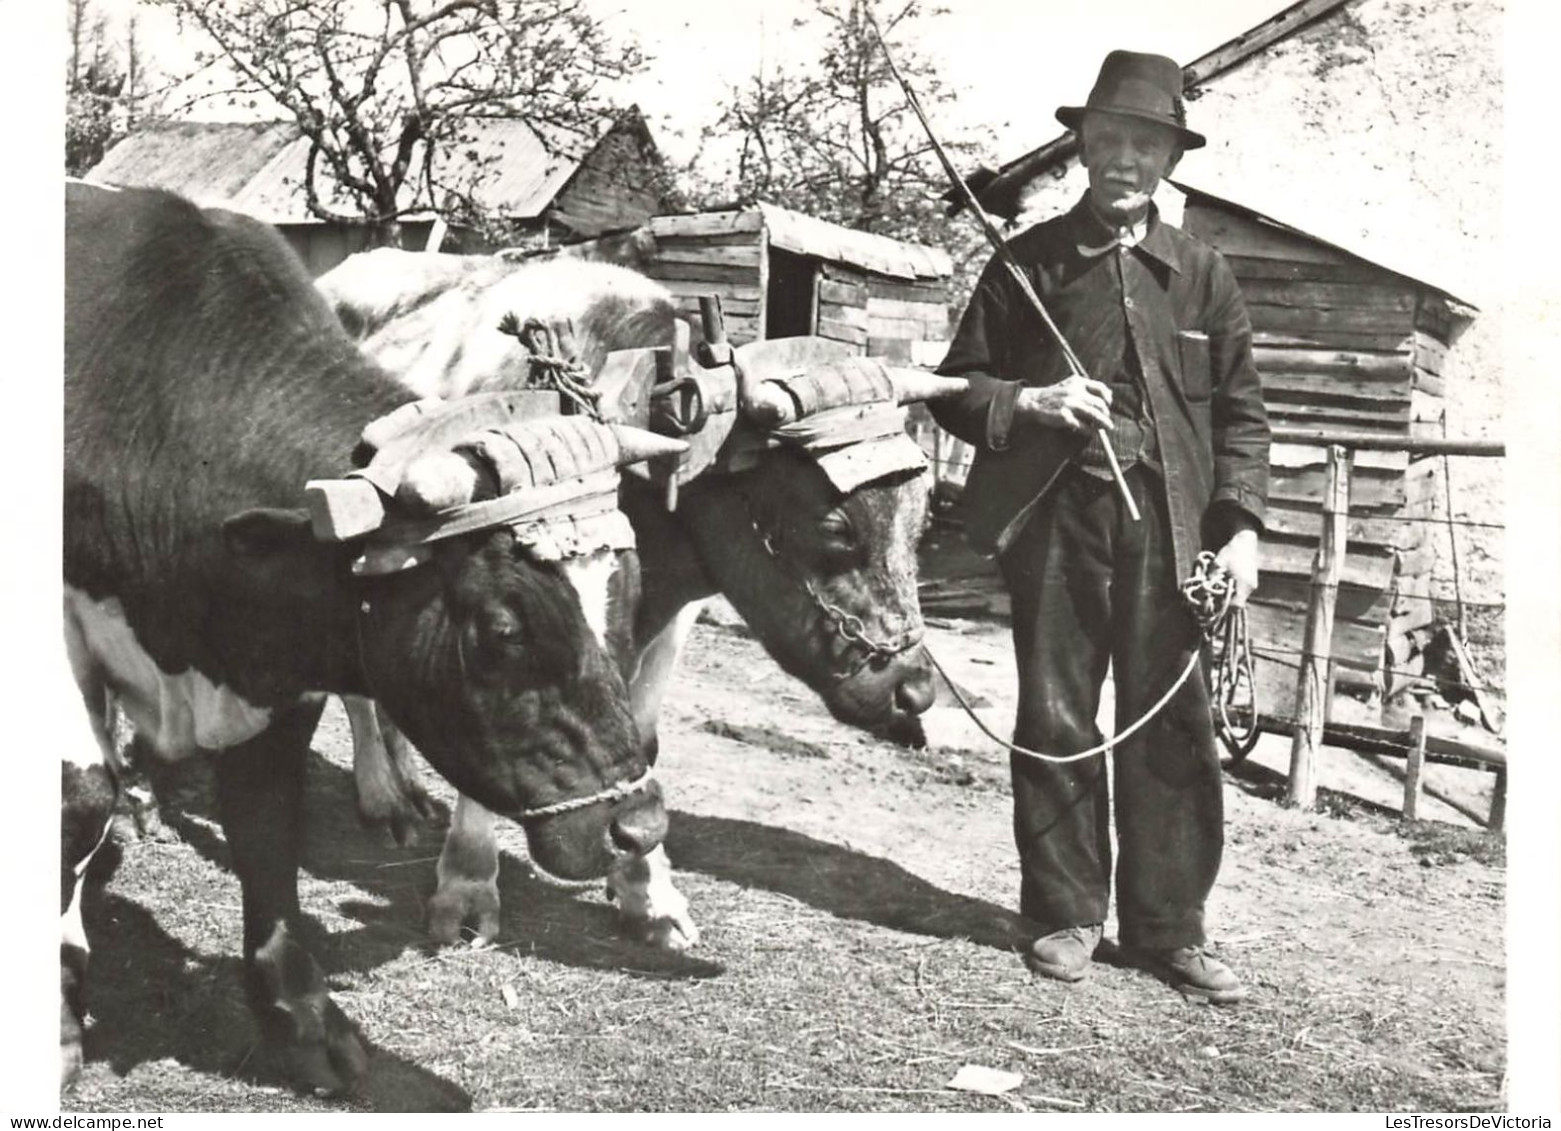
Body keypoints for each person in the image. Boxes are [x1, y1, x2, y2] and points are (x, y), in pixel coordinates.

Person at [931, 50, 1270, 1004]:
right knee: (1054, 717)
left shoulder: (1203, 277)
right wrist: (1031, 403)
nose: (1126, 158)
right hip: (1055, 524)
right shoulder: (1024, 264)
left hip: (1172, 535)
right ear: (1081, 145)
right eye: (1110, 138)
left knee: (1172, 728)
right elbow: (958, 389)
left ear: (1170, 156)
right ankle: (1064, 913)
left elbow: (1243, 414)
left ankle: (1170, 929)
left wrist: (1238, 526)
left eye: (1146, 142)